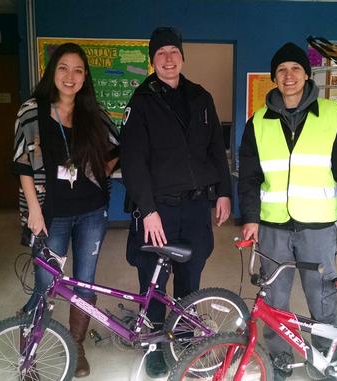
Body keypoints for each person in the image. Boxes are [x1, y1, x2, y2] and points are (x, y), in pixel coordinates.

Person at [238, 42, 337, 380]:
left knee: (321, 298)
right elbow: (248, 176)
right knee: (274, 302)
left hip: (317, 227)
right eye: (281, 71)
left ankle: (325, 360)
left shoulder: (333, 115)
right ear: (274, 79)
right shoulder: (258, 122)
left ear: (306, 74)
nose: (289, 76)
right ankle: (281, 362)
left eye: (295, 69)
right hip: (273, 226)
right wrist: (250, 218)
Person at [120, 26, 232, 378]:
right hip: (159, 209)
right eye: (161, 54)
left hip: (197, 207)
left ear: (182, 57)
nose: (168, 59)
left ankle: (182, 337)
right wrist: (148, 210)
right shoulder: (141, 102)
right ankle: (154, 344)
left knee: (191, 274)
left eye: (173, 52)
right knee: (153, 279)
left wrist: (223, 192)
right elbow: (133, 160)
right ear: (153, 61)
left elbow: (216, 148)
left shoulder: (201, 97)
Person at [11, 42, 119, 378]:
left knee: (85, 285)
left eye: (77, 70)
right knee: (45, 286)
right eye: (63, 68)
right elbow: (22, 164)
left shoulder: (95, 115)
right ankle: (28, 354)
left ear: (85, 76)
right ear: (52, 72)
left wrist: (95, 170)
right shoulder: (32, 111)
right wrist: (34, 210)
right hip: (50, 213)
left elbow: (118, 149)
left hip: (91, 213)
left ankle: (76, 346)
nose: (70, 76)